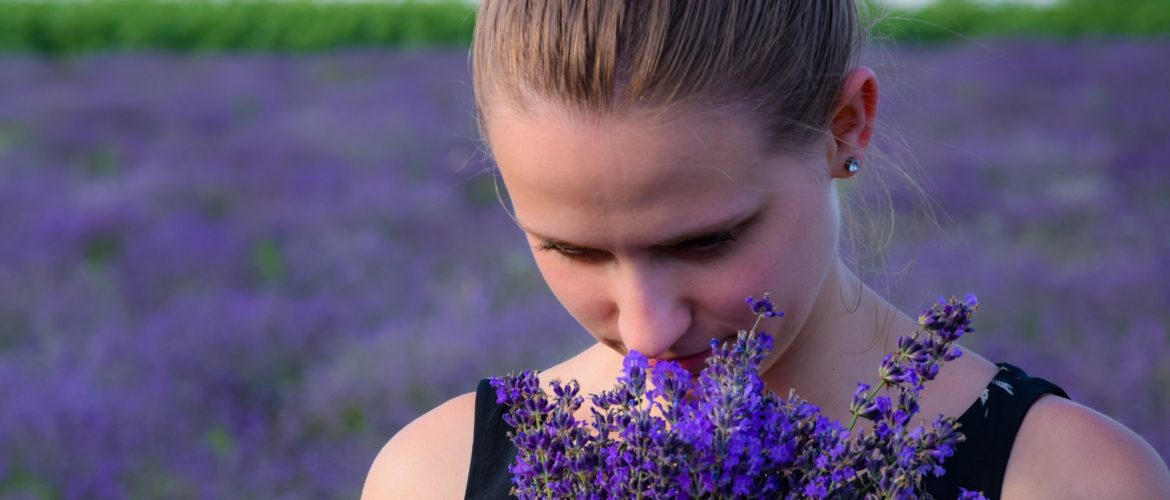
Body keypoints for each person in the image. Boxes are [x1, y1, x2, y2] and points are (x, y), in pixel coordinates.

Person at [362, 1, 1170, 498]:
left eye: (706, 241)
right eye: (572, 250)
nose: (646, 331)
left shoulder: (1072, 484)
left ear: (845, 125)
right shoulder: (431, 480)